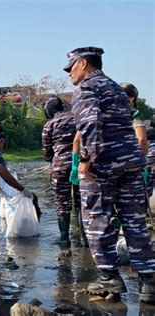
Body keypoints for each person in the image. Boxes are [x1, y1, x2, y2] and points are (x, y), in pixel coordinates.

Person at [64, 46, 155, 303]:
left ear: (82, 64)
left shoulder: (86, 88)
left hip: (103, 165)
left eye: (71, 68)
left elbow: (90, 123)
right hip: (132, 163)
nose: (69, 74)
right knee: (135, 221)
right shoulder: (116, 87)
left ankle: (109, 278)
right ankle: (148, 281)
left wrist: (85, 160)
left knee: (97, 220)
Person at [41, 96, 87, 248]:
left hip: (59, 167)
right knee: (82, 203)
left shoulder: (49, 125)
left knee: (62, 203)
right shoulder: (78, 118)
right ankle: (86, 240)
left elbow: (47, 153)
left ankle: (64, 238)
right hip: (82, 165)